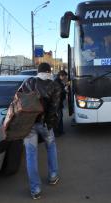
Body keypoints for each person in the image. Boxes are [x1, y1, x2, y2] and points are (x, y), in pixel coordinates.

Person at [23, 62, 62, 200]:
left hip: (28, 124)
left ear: (38, 71)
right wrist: (50, 124)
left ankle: (36, 189)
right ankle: (53, 176)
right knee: (51, 147)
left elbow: (20, 100)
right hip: (45, 123)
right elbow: (54, 108)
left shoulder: (28, 82)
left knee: (30, 155)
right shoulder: (55, 85)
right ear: (49, 71)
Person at [54, 70, 68, 136]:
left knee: (60, 117)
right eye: (64, 77)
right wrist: (65, 90)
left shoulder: (58, 81)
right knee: (58, 117)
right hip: (57, 103)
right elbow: (59, 92)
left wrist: (65, 86)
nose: (65, 78)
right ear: (61, 75)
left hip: (58, 103)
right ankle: (57, 132)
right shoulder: (57, 82)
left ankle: (60, 131)